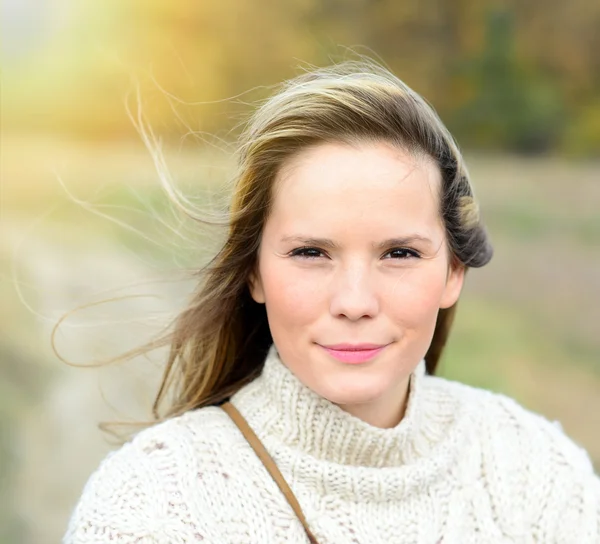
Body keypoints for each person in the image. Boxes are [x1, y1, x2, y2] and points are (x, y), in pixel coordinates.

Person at [63, 60, 600, 543]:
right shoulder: (151, 508)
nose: (354, 301)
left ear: (453, 272)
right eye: (311, 252)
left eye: (399, 253)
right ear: (254, 272)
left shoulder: (536, 472)